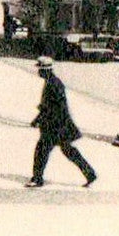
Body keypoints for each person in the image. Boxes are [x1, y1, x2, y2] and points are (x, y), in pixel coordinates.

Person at [27, 56, 97, 187]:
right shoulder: (52, 82)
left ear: (45, 70)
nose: (38, 72)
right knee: (68, 150)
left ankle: (37, 179)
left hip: (55, 126)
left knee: (42, 151)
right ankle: (90, 173)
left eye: (40, 69)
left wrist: (38, 119)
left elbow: (52, 107)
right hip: (59, 125)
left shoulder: (53, 84)